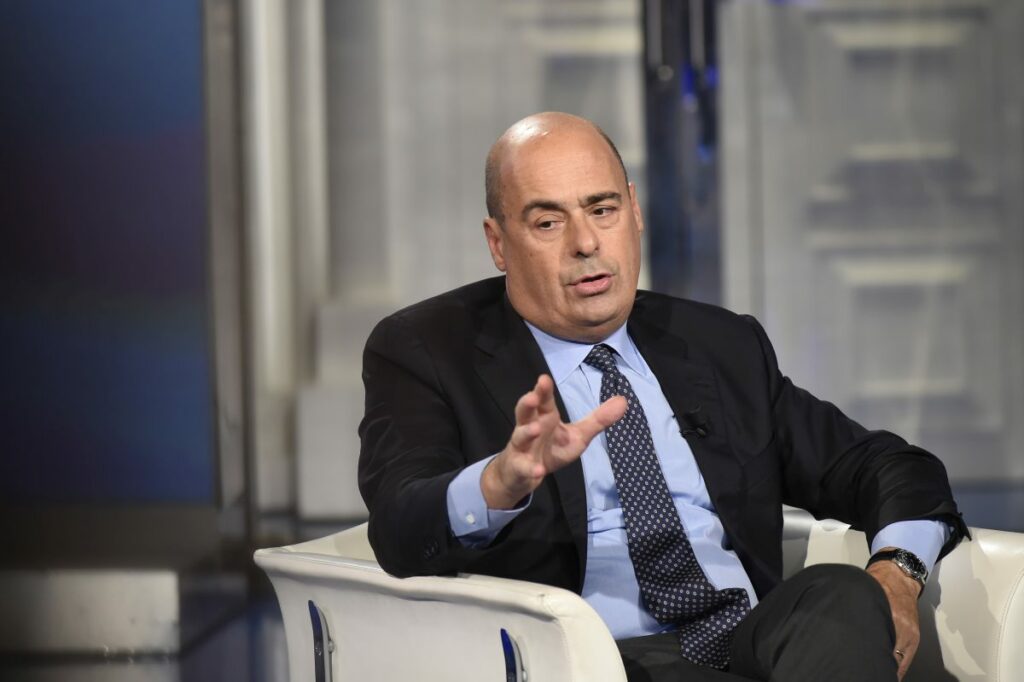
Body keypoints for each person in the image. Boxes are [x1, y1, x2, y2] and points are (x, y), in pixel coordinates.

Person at [357, 112, 968, 681]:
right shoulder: (427, 350)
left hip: (747, 643)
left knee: (841, 593)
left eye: (603, 209)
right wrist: (499, 484)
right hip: (600, 660)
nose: (586, 243)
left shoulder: (717, 344)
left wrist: (898, 573)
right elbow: (399, 528)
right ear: (498, 243)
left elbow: (888, 466)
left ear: (635, 212)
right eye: (548, 222)